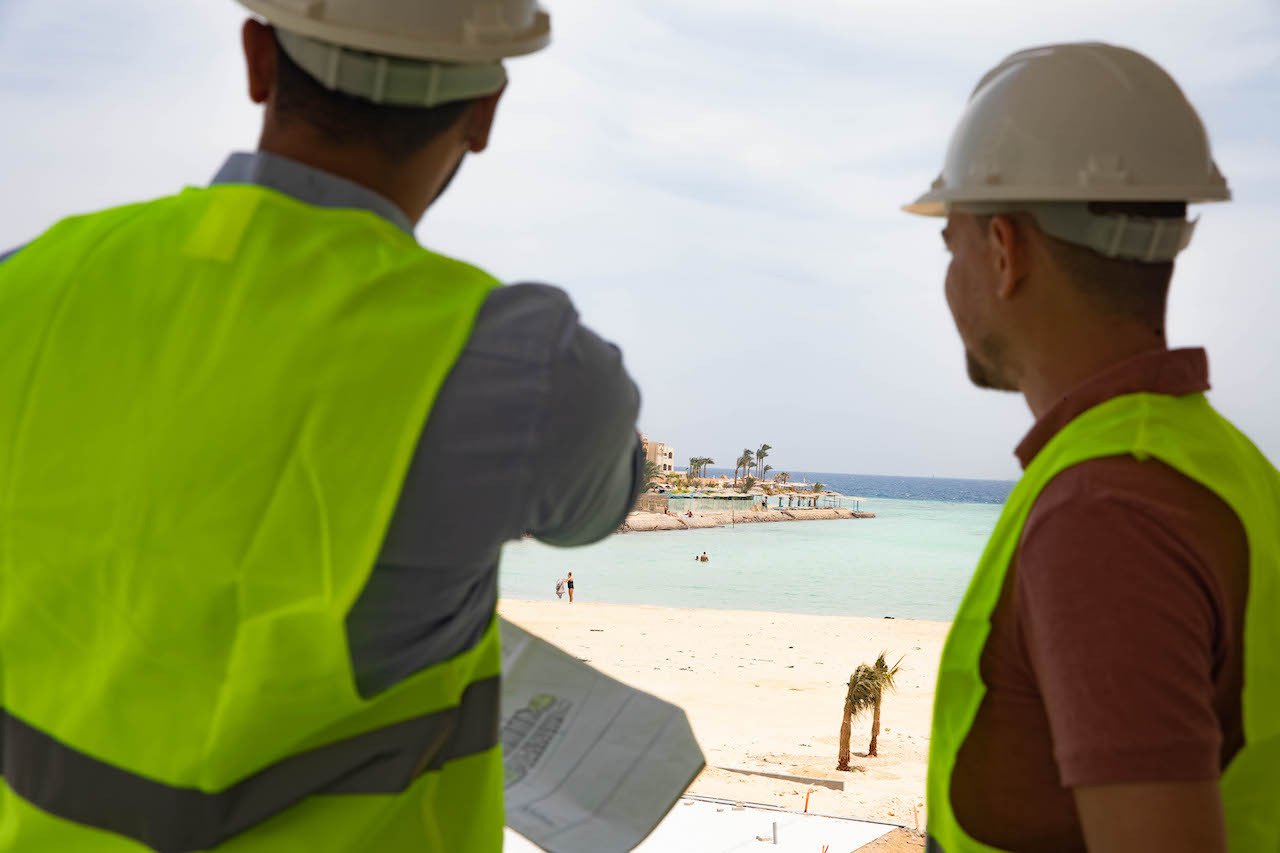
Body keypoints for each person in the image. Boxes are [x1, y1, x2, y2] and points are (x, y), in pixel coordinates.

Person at [0, 1, 645, 850]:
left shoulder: (33, 282)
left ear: (258, 56)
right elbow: (599, 504)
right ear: (485, 112)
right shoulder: (520, 364)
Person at [906, 43, 1280, 853]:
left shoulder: (1106, 514)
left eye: (952, 247)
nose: (949, 278)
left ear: (1004, 251)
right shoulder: (1221, 464)